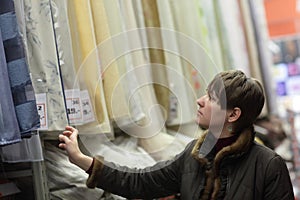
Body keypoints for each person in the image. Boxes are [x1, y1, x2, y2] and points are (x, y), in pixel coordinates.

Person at [58, 69, 294, 200]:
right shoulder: (193, 156)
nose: (200, 101)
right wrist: (83, 161)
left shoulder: (267, 165)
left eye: (212, 98)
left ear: (233, 115)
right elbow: (141, 181)